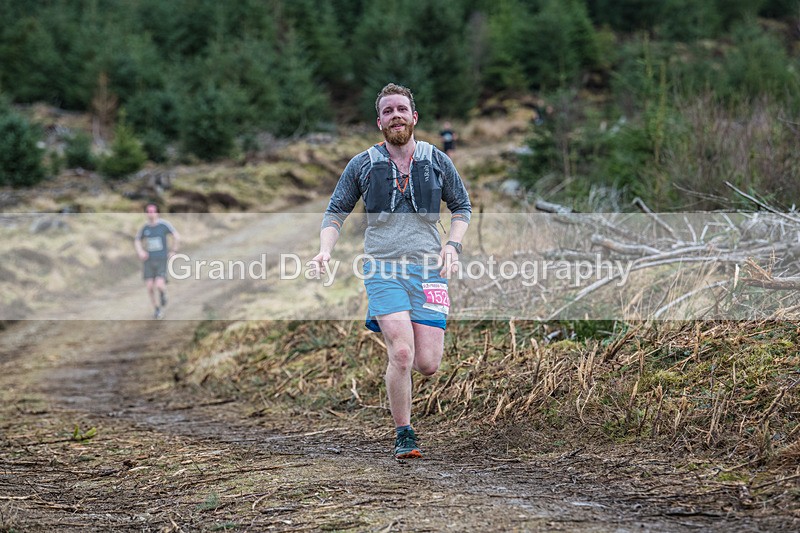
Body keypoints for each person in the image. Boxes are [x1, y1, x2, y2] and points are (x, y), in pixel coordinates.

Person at [311, 83, 471, 459]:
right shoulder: (363, 164)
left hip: (429, 269)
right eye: (387, 111)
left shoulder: (436, 160)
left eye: (402, 109)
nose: (395, 115)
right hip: (383, 269)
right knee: (401, 354)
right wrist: (324, 251)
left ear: (414, 117)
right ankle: (405, 434)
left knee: (427, 363)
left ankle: (396, 338)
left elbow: (462, 206)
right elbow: (336, 211)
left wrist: (453, 245)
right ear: (379, 121)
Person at [134, 204, 180, 319]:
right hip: (148, 261)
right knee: (149, 287)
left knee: (159, 285)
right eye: (148, 211)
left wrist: (173, 250)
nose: (151, 214)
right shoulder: (145, 228)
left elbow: (176, 236)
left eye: (153, 211)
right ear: (146, 213)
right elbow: (137, 240)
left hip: (161, 259)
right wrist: (140, 252)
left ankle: (163, 294)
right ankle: (157, 309)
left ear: (157, 213)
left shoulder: (163, 225)